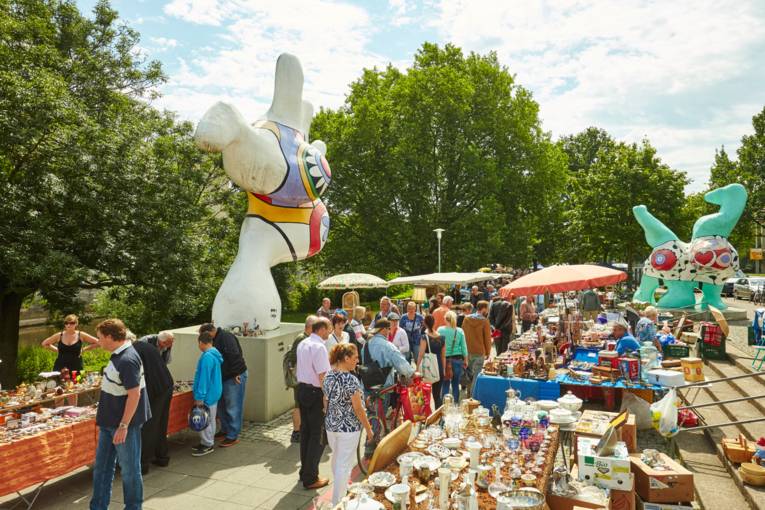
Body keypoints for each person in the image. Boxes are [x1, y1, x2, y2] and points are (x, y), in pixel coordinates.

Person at [90, 319, 151, 510]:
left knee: (130, 471)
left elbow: (135, 394)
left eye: (100, 338)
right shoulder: (120, 354)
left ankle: (133, 507)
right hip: (110, 423)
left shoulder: (127, 359)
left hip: (122, 426)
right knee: (102, 469)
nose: (98, 342)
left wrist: (124, 425)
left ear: (110, 337)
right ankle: (98, 507)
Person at [323, 343, 373, 505]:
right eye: (355, 358)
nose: (357, 361)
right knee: (344, 465)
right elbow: (358, 409)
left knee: (337, 459)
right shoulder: (351, 380)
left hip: (332, 426)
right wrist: (369, 429)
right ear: (345, 358)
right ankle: (338, 502)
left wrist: (331, 416)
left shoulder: (328, 375)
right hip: (348, 429)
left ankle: (341, 486)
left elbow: (325, 400)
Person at [198, 323, 247, 447]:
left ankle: (232, 435)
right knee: (222, 406)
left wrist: (236, 373)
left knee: (233, 406)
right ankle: (225, 430)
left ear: (210, 332)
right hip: (225, 377)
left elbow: (235, 355)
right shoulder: (217, 339)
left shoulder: (226, 337)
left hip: (234, 376)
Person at [297, 317, 332, 489]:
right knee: (316, 436)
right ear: (322, 329)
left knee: (306, 432)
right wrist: (327, 399)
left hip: (302, 390)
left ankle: (304, 472)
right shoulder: (319, 347)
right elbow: (322, 376)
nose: (330, 331)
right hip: (314, 392)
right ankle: (310, 478)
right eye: (329, 328)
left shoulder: (303, 343)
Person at [131, 333, 174, 473]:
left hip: (156, 388)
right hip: (165, 384)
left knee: (149, 425)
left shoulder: (133, 350)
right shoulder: (145, 346)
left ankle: (142, 464)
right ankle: (162, 458)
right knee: (161, 422)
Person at [191, 330, 224, 457]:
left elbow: (204, 378)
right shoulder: (214, 355)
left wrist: (199, 397)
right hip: (214, 392)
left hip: (207, 394)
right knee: (211, 418)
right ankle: (207, 441)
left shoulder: (207, 357)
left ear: (201, 342)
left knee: (204, 419)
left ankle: (207, 444)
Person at [288, 315, 317, 443]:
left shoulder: (306, 338)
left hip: (303, 378)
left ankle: (301, 430)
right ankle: (296, 432)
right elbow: (293, 359)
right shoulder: (301, 339)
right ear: (310, 327)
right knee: (298, 406)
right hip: (300, 379)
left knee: (300, 405)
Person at [364, 318, 415, 388]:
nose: (389, 331)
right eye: (389, 329)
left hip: (367, 384)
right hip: (383, 387)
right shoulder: (388, 346)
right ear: (384, 329)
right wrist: (412, 374)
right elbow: (400, 363)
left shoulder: (366, 344)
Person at [462, 300, 492, 397]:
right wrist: (488, 352)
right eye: (487, 308)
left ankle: (468, 392)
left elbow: (462, 334)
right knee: (476, 374)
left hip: (467, 350)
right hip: (479, 351)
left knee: (469, 372)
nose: (487, 311)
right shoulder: (485, 321)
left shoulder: (466, 319)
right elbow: (487, 339)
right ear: (483, 309)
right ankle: (473, 394)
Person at [438, 311, 468, 402]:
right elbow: (464, 347)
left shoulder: (440, 330)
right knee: (455, 384)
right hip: (457, 359)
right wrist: (466, 359)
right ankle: (455, 404)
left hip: (444, 360)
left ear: (445, 319)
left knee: (445, 383)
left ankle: (445, 404)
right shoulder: (459, 331)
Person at [417, 315, 446, 409]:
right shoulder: (442, 338)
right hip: (439, 368)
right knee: (437, 395)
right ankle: (440, 417)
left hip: (428, 368)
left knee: (425, 395)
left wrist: (417, 368)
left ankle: (427, 417)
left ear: (424, 323)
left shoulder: (424, 337)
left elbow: (421, 354)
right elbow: (443, 356)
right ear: (434, 323)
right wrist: (444, 369)